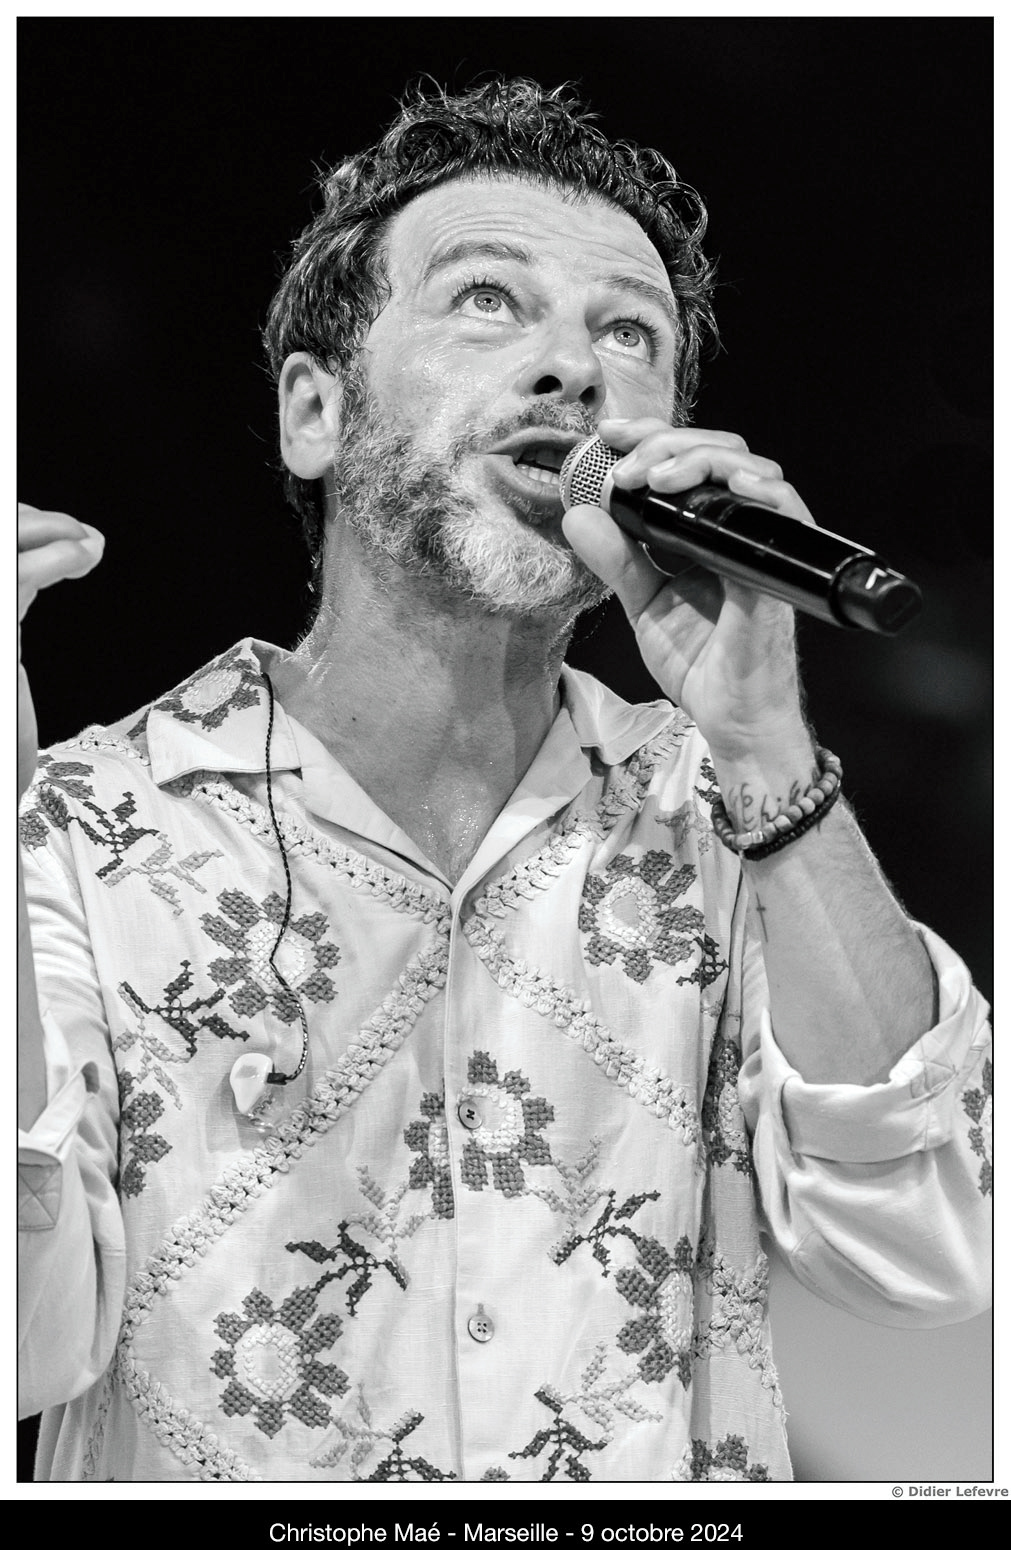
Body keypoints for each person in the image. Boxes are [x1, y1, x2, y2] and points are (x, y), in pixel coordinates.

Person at [17, 78, 991, 1485]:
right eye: (488, 299)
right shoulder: (84, 824)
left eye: (628, 333)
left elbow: (931, 1247)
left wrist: (769, 745)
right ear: (314, 411)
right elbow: (23, 1337)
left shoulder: (727, 817)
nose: (573, 368)